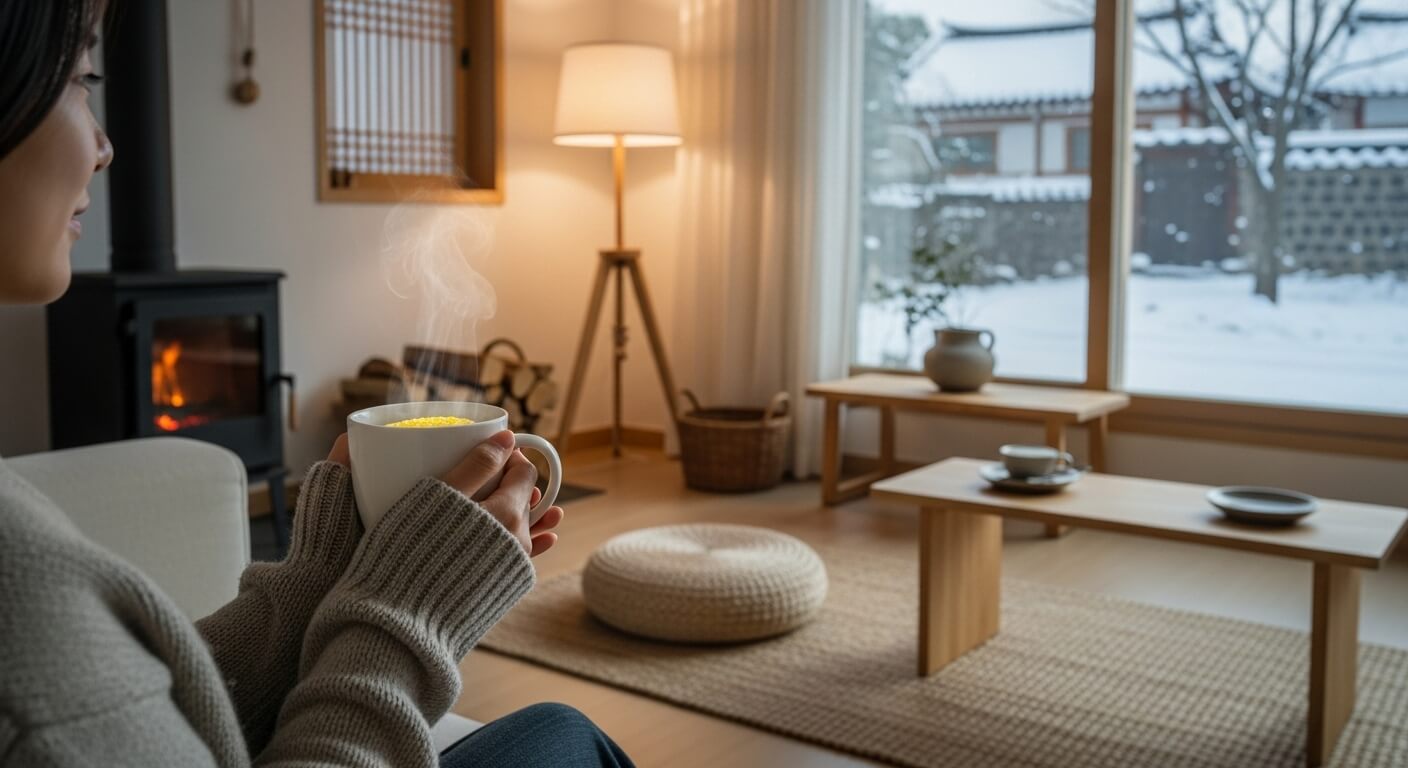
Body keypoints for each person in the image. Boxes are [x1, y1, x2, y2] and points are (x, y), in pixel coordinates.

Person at [0, 2, 634, 765]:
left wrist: (320, 580)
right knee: (569, 739)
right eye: (80, 77)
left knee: (561, 728)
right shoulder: (20, 588)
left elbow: (145, 720)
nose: (104, 147)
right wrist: (409, 615)